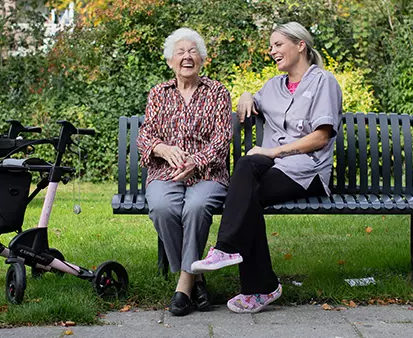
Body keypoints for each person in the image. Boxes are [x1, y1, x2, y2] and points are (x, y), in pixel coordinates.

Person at [190, 22, 342, 314]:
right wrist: (246, 95)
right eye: (271, 46)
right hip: (272, 167)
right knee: (250, 189)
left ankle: (234, 258)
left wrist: (274, 151)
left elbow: (321, 137)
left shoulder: (324, 82)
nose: (271, 51)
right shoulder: (273, 86)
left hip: (307, 172)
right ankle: (257, 283)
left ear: (300, 46)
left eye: (277, 44)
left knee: (249, 184)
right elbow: (251, 100)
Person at [137, 27, 232, 316]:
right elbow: (145, 135)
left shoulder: (217, 92)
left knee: (197, 205)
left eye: (193, 52)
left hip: (208, 174)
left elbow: (222, 137)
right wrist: (163, 150)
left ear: (202, 59)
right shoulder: (159, 93)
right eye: (181, 52)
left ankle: (183, 285)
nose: (187, 57)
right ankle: (196, 278)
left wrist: (197, 161)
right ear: (170, 61)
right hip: (165, 173)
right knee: (163, 207)